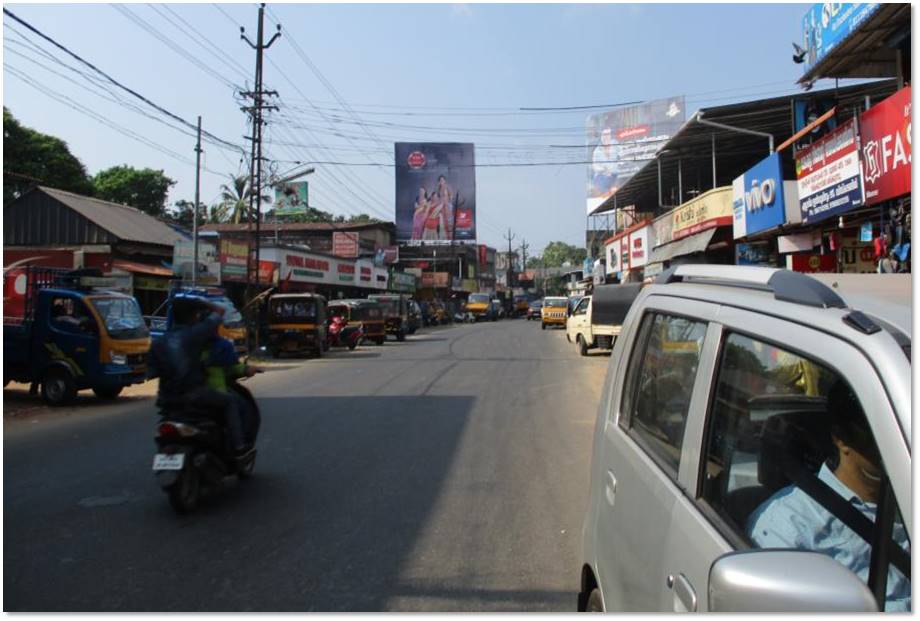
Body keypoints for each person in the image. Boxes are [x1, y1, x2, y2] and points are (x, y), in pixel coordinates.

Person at [746, 381, 910, 611]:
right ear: (841, 438)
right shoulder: (786, 526)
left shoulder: (909, 499)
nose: (901, 446)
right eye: (884, 434)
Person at [147, 296, 249, 458]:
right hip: (195, 395)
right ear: (195, 315)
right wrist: (200, 302)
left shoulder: (159, 342)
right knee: (229, 402)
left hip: (167, 400)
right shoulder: (196, 334)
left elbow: (151, 373)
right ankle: (239, 446)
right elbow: (220, 311)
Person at [202, 335, 262, 447]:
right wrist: (246, 369)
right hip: (208, 392)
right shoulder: (217, 344)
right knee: (235, 404)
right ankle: (238, 444)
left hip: (173, 396)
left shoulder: (172, 341)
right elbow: (230, 366)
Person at [591, 127, 623, 196]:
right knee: (599, 181)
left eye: (608, 134)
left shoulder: (616, 145)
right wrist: (604, 171)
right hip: (602, 176)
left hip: (615, 174)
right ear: (601, 136)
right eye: (604, 135)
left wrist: (617, 167)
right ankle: (606, 194)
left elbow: (622, 156)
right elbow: (595, 166)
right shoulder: (597, 151)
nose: (606, 137)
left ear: (611, 136)